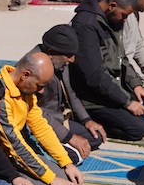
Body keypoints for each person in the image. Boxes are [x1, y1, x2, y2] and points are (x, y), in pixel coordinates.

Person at [69, 0, 144, 142]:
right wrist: (127, 102)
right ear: (112, 6)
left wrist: (136, 84)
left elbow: (121, 59)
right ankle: (86, 122)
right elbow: (94, 77)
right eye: (124, 16)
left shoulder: (112, 18)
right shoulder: (86, 25)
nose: (125, 20)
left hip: (113, 87)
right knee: (138, 129)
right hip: (93, 97)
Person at [0, 52, 85, 185]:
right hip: (0, 161)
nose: (41, 91)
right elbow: (15, 145)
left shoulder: (24, 90)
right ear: (25, 75)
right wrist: (51, 179)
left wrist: (66, 162)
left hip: (15, 155)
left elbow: (40, 127)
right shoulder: (0, 98)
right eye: (40, 85)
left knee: (66, 179)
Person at [32, 24, 104, 164]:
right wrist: (68, 137)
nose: (72, 60)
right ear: (51, 52)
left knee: (96, 138)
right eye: (68, 55)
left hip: (59, 119)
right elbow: (37, 113)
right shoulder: (35, 69)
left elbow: (70, 92)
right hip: (41, 126)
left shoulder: (59, 62)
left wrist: (86, 120)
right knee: (74, 157)